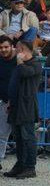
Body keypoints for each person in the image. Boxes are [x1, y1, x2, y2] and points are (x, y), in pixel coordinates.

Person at [3, 40, 42, 179]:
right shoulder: (19, 65)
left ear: (24, 50)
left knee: (28, 138)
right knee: (18, 138)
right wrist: (10, 101)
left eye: (17, 49)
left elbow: (26, 73)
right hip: (15, 106)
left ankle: (30, 167)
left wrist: (20, 63)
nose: (15, 51)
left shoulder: (35, 64)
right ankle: (20, 164)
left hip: (27, 107)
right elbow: (14, 83)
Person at [0, 36, 16, 170]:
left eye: (6, 47)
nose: (3, 50)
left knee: (3, 134)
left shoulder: (18, 61)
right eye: (1, 48)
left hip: (9, 102)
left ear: (11, 47)